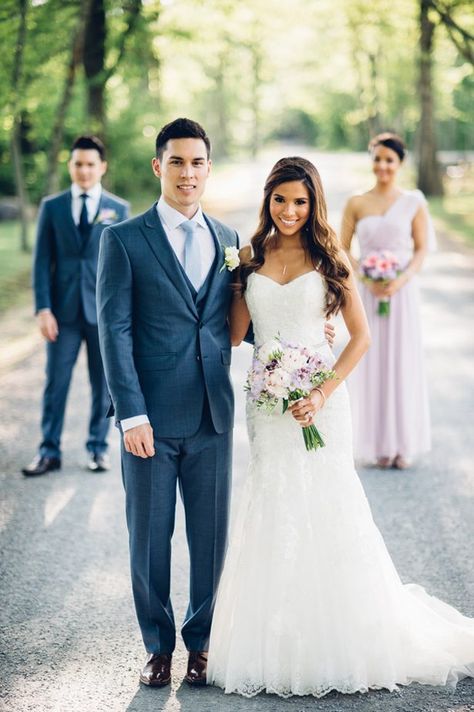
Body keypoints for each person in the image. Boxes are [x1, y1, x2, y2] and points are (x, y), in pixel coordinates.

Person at [207, 156, 474, 697]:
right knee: (274, 504)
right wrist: (237, 284)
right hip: (267, 403)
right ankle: (277, 642)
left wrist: (321, 390)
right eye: (280, 200)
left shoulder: (331, 258)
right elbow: (238, 338)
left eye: (300, 201)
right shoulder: (251, 256)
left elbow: (360, 337)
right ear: (268, 200)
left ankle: (339, 637)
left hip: (322, 400)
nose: (289, 211)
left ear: (314, 204)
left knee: (328, 505)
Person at [95, 117, 334, 688]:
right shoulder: (123, 240)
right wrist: (131, 414)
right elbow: (115, 331)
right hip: (149, 419)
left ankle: (201, 644)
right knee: (149, 540)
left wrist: (304, 338)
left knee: (211, 541)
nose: (187, 173)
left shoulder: (232, 243)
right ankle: (158, 645)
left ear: (208, 169)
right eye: (176, 161)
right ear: (159, 167)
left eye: (197, 162)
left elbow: (241, 323)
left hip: (213, 417)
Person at [22, 135, 129, 477]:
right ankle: (48, 451)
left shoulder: (119, 209)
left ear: (102, 167)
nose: (84, 170)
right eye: (78, 164)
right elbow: (41, 262)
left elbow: (125, 265)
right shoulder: (52, 207)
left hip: (103, 313)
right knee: (56, 383)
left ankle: (98, 449)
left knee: (104, 386)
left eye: (90, 164)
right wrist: (43, 309)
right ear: (70, 166)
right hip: (62, 314)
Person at [341, 133, 432, 469]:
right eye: (377, 159)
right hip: (366, 293)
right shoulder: (357, 202)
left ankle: (402, 443)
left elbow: (421, 248)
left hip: (401, 293)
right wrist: (364, 277)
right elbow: (341, 248)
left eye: (389, 160)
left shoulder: (414, 202)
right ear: (371, 161)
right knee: (371, 363)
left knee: (400, 363)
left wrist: (401, 279)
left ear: (400, 163)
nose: (382, 166)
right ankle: (376, 443)